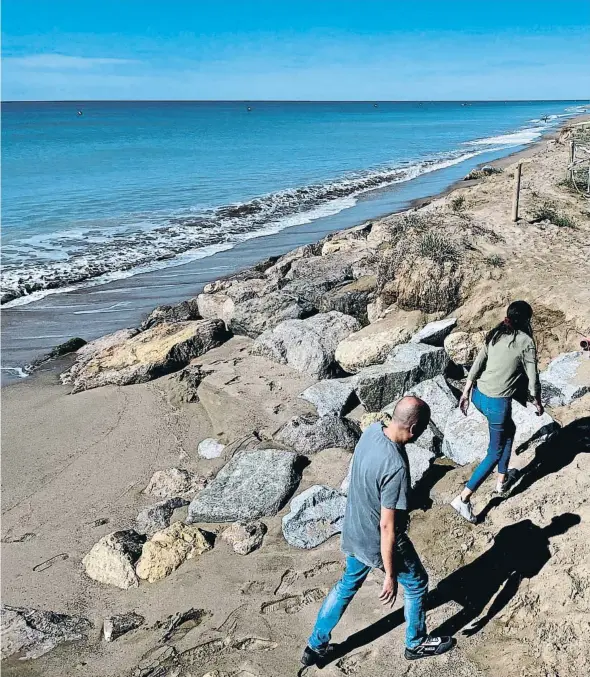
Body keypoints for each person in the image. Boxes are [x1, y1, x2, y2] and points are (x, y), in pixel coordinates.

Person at [301, 396, 455, 668]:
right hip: (377, 538)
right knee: (417, 584)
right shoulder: (394, 466)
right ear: (415, 427)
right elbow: (387, 526)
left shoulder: (372, 432)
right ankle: (415, 643)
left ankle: (315, 645)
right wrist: (390, 574)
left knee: (346, 586)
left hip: (353, 529)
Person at [451, 300, 543, 524]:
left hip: (479, 396)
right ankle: (463, 498)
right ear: (527, 320)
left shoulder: (496, 333)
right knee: (494, 451)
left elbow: (478, 362)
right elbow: (533, 378)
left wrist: (465, 391)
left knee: (510, 430)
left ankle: (501, 481)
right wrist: (537, 402)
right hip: (497, 404)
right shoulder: (526, 342)